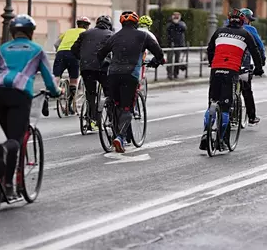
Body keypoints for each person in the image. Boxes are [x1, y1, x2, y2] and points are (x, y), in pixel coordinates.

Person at [0, 15, 60, 200]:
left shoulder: (2, 49)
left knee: (12, 139)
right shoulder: (37, 50)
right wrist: (56, 92)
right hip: (20, 95)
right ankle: (9, 184)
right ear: (31, 32)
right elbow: (49, 81)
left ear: (12, 32)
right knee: (15, 141)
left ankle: (5, 181)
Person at [97, 11, 164, 153]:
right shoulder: (143, 36)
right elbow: (158, 52)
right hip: (130, 74)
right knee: (127, 107)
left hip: (113, 73)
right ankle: (120, 137)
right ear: (136, 23)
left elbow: (100, 54)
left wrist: (105, 63)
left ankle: (112, 125)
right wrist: (158, 61)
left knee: (115, 103)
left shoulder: (115, 37)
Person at [200, 9, 264, 151]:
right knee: (225, 108)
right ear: (242, 22)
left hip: (216, 69)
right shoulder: (246, 33)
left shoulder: (218, 31)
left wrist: (212, 62)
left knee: (213, 101)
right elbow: (255, 51)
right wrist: (259, 68)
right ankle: (222, 140)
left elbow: (210, 49)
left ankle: (206, 132)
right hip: (231, 71)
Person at [71, 15, 113, 129]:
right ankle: (111, 118)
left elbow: (73, 49)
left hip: (86, 67)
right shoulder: (111, 35)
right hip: (103, 67)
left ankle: (91, 119)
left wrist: (83, 58)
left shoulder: (85, 33)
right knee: (109, 93)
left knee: (90, 94)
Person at [53, 16, 91, 113]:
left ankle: (49, 93)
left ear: (77, 24)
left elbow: (56, 44)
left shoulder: (68, 31)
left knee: (56, 76)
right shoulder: (86, 33)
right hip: (74, 55)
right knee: (74, 79)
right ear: (87, 26)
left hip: (61, 53)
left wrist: (60, 51)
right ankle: (70, 105)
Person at [240, 8, 266, 125]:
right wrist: (261, 63)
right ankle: (251, 117)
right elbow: (259, 47)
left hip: (226, 65)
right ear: (246, 19)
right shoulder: (250, 29)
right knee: (247, 91)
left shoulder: (227, 28)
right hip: (243, 65)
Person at [166, 12, 187, 79]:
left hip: (178, 44)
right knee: (169, 60)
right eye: (175, 16)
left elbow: (184, 28)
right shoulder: (170, 24)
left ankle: (175, 73)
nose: (176, 18)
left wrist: (177, 23)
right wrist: (173, 23)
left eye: (177, 17)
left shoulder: (181, 24)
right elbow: (168, 28)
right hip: (170, 44)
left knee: (177, 60)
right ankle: (169, 73)